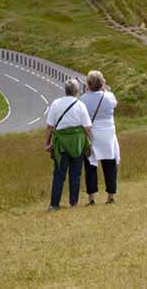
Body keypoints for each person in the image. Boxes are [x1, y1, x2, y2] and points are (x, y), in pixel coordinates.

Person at [45, 79, 93, 211]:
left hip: (61, 143)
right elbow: (87, 127)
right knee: (75, 174)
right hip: (77, 143)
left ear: (65, 90)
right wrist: (91, 142)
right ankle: (73, 203)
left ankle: (54, 204)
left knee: (59, 174)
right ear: (77, 91)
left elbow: (49, 126)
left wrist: (47, 143)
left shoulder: (56, 104)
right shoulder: (80, 105)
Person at [82, 71, 119, 205]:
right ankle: (110, 196)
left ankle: (91, 198)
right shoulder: (109, 96)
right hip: (108, 133)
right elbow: (115, 104)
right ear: (102, 83)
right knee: (110, 165)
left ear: (89, 84)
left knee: (90, 165)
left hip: (92, 134)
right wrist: (104, 89)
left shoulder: (84, 98)